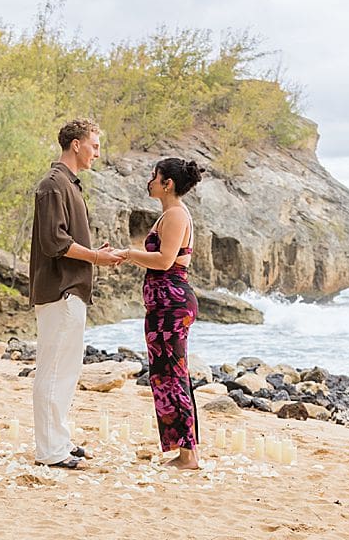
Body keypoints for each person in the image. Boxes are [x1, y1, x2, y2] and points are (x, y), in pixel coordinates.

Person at [29, 118, 122, 469]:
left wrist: (94, 252)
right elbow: (55, 242)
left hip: (70, 289)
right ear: (77, 144)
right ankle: (51, 451)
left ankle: (59, 441)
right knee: (53, 371)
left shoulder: (68, 184)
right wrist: (96, 256)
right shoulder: (54, 185)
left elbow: (66, 241)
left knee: (64, 370)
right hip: (60, 290)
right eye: (95, 145)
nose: (98, 153)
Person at [114, 157, 205, 470]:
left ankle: (188, 455)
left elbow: (165, 260)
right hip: (164, 305)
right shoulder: (168, 215)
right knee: (165, 375)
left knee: (171, 375)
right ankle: (186, 450)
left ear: (167, 184)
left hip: (172, 305)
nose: (149, 181)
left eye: (154, 177)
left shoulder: (177, 215)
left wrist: (128, 255)